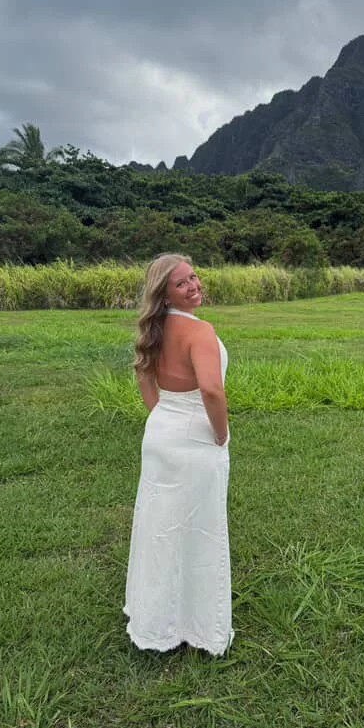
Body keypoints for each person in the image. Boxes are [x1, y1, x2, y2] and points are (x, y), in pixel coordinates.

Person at [123, 253, 233, 655]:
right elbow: (211, 390)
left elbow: (143, 373)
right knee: (198, 528)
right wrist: (220, 434)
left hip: (161, 433)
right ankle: (196, 626)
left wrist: (161, 412)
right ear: (165, 293)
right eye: (182, 283)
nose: (194, 285)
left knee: (159, 525)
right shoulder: (199, 331)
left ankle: (153, 617)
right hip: (193, 438)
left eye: (195, 276)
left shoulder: (156, 327)